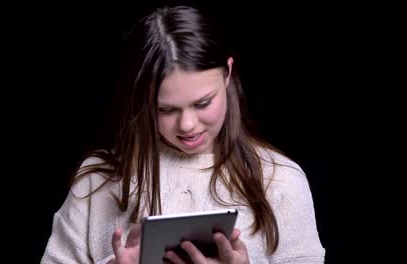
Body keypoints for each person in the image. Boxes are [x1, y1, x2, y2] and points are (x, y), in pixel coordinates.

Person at [41, 5, 325, 264]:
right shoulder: (98, 180)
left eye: (203, 103)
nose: (187, 125)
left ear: (227, 73)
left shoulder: (280, 180)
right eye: (165, 109)